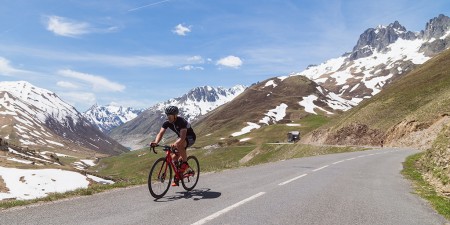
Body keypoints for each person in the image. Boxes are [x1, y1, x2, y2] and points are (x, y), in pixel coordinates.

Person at [150, 106, 196, 186]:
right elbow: (161, 133)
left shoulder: (181, 121)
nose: (169, 118)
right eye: (167, 116)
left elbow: (182, 138)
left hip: (190, 137)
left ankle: (185, 163)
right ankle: (179, 175)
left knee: (179, 145)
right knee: (174, 158)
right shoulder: (167, 122)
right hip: (181, 138)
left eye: (170, 116)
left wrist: (175, 144)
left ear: (175, 115)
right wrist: (156, 142)